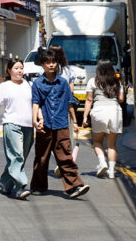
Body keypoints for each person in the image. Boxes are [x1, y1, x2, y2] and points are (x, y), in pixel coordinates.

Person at [30, 46, 89, 198]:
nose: (51, 65)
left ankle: (74, 187)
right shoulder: (37, 84)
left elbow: (70, 103)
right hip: (45, 125)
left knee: (65, 156)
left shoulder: (63, 83)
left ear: (57, 63)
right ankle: (38, 186)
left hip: (62, 124)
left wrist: (75, 122)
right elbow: (35, 103)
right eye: (47, 62)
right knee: (42, 157)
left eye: (53, 62)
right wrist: (34, 120)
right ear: (42, 64)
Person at [0, 59, 33, 199]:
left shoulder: (28, 84)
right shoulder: (5, 86)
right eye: (16, 68)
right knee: (16, 156)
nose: (20, 71)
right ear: (9, 71)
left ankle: (5, 182)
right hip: (11, 125)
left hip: (28, 126)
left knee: (21, 157)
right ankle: (21, 186)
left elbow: (35, 104)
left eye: (21, 68)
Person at [81, 59, 125, 178]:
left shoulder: (93, 81)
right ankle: (111, 171)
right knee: (111, 145)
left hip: (99, 112)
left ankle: (102, 163)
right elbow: (121, 99)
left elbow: (89, 100)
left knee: (97, 141)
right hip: (115, 112)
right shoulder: (117, 82)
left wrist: (85, 117)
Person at [53, 45, 81, 176]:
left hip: (51, 107)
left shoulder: (49, 70)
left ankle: (61, 162)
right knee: (67, 136)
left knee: (53, 137)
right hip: (65, 107)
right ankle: (67, 161)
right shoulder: (69, 70)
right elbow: (71, 91)